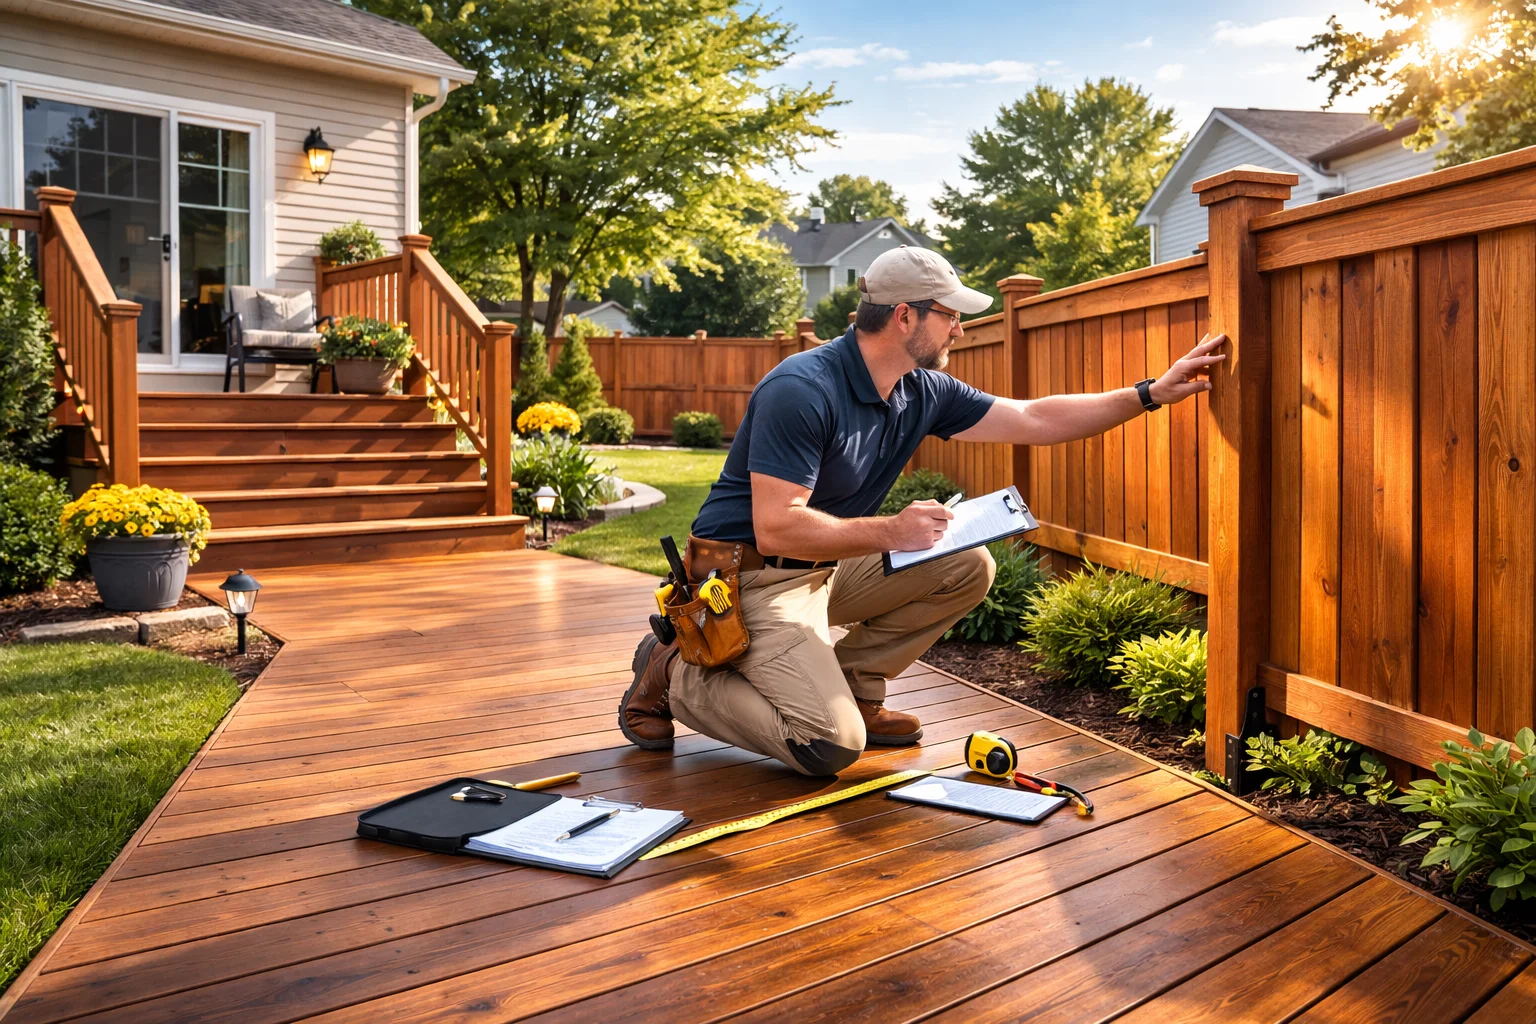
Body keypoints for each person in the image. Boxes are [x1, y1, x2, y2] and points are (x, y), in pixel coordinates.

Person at [620, 246, 1223, 776]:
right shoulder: (802, 389)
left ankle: (853, 690)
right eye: (952, 315)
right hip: (747, 579)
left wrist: (1150, 393)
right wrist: (893, 529)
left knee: (967, 565)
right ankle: (675, 670)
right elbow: (777, 523)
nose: (961, 329)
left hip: (822, 568)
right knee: (827, 745)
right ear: (905, 315)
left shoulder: (920, 388)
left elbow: (1034, 417)